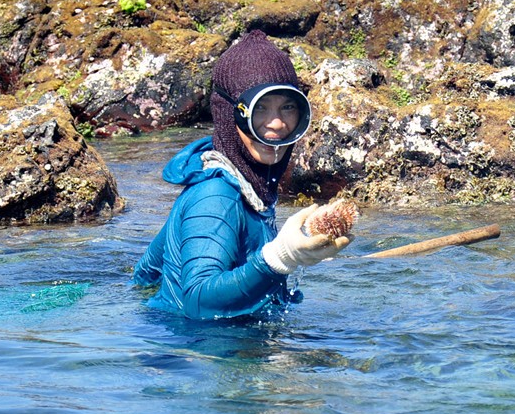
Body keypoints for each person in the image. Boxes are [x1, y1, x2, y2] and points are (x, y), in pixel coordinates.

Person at [132, 30, 351, 320]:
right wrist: (281, 257)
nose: (276, 124)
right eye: (259, 109)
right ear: (228, 115)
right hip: (202, 357)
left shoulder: (243, 183)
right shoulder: (216, 196)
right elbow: (198, 302)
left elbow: (147, 270)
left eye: (288, 107)